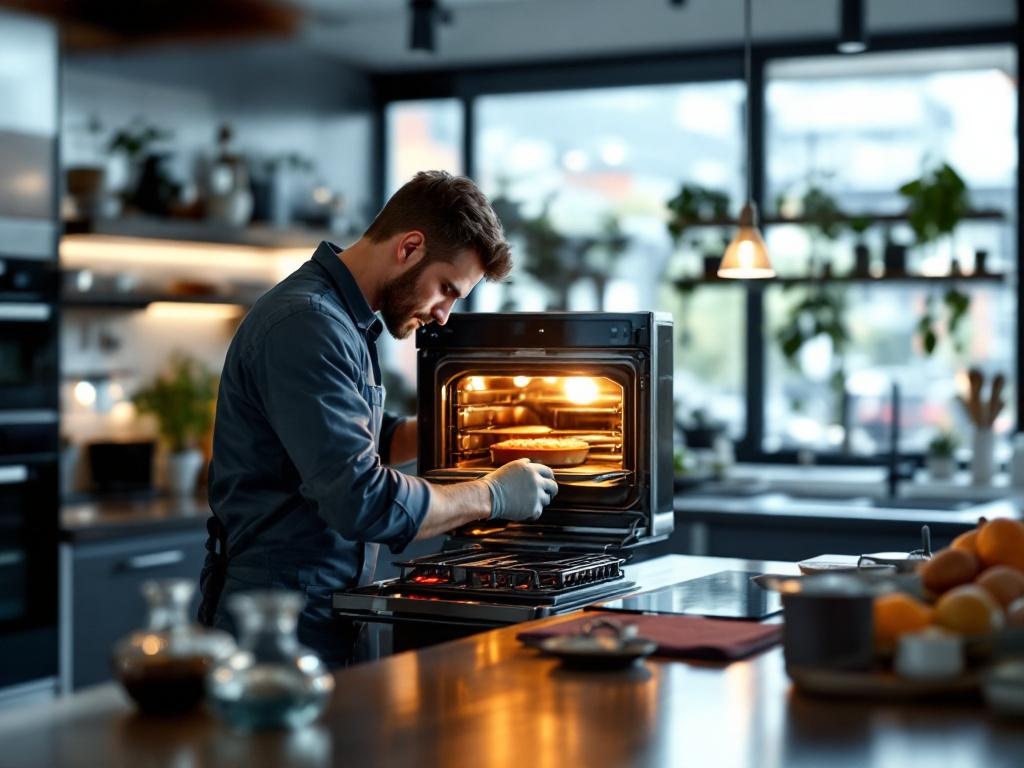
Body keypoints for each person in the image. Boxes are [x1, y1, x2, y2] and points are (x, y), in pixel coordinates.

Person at [197, 170, 558, 666]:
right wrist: (492, 495)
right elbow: (360, 499)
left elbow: (369, 440)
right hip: (275, 621)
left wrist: (468, 427)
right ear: (409, 248)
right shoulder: (308, 324)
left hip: (322, 608)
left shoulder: (345, 321)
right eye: (446, 289)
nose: (443, 315)